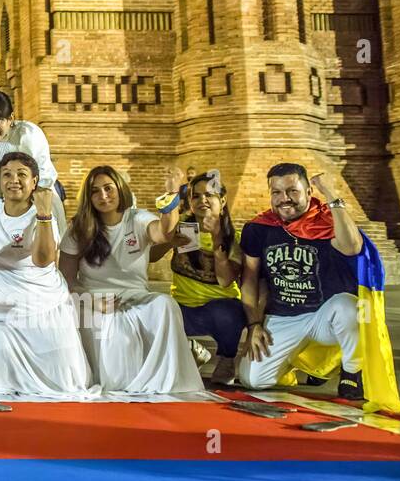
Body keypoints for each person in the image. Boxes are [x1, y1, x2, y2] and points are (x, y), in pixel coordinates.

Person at [58, 165, 203, 394]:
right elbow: (65, 280)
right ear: (88, 197)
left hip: (136, 295)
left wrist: (172, 195)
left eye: (108, 188)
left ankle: (167, 377)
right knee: (116, 376)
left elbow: (164, 233)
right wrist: (89, 301)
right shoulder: (78, 228)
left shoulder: (137, 218)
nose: (103, 196)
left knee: (166, 304)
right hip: (93, 298)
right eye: (95, 191)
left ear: (120, 189)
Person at [0, 151, 96, 397]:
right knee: (1, 345)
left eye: (22, 174)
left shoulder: (45, 211)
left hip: (42, 293)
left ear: (35, 181)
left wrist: (43, 214)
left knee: (63, 374)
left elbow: (43, 260)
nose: (14, 180)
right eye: (6, 174)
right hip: (0, 294)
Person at [238, 165, 365, 399]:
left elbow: (352, 247)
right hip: (282, 316)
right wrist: (254, 325)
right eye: (276, 192)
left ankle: (352, 372)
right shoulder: (259, 228)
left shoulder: (326, 221)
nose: (284, 199)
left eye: (292, 191)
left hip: (323, 317)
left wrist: (331, 193)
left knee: (349, 307)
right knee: (253, 380)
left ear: (309, 192)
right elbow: (249, 279)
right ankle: (307, 363)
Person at [148, 170, 244, 385]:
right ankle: (192, 350)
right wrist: (170, 241)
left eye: (209, 195)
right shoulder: (182, 226)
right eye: (196, 196)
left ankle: (227, 359)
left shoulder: (234, 237)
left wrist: (217, 238)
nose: (203, 200)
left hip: (219, 309)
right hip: (183, 308)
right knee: (154, 308)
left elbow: (226, 281)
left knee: (229, 312)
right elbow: (152, 257)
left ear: (222, 199)